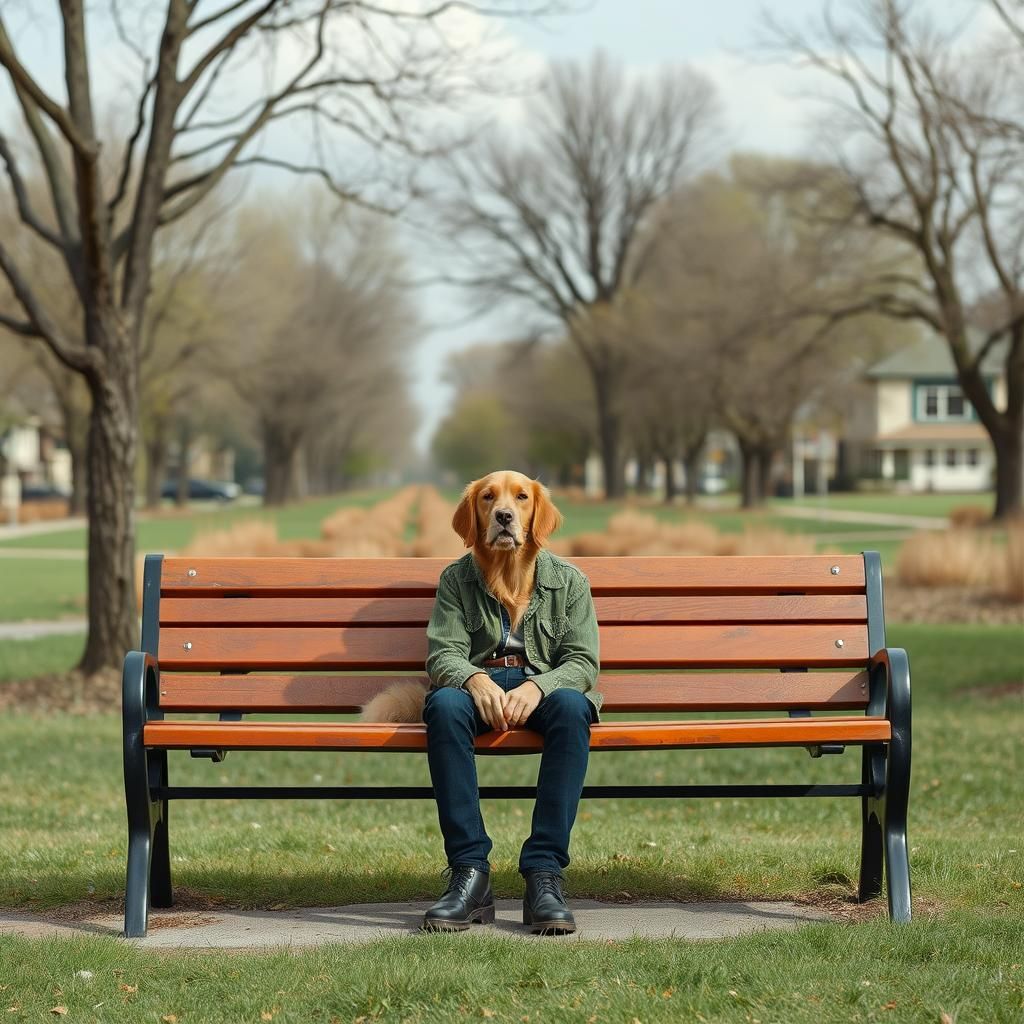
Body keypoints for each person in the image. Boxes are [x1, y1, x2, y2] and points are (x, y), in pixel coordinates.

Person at [421, 470, 601, 935]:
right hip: (476, 692)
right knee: (442, 707)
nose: (504, 509)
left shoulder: (570, 582)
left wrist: (538, 687)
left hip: (541, 689)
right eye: (490, 500)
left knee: (572, 707)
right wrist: (474, 678)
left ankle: (544, 874)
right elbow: (443, 655)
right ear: (475, 517)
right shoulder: (456, 580)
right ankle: (470, 874)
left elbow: (582, 662)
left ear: (535, 515)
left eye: (519, 500)